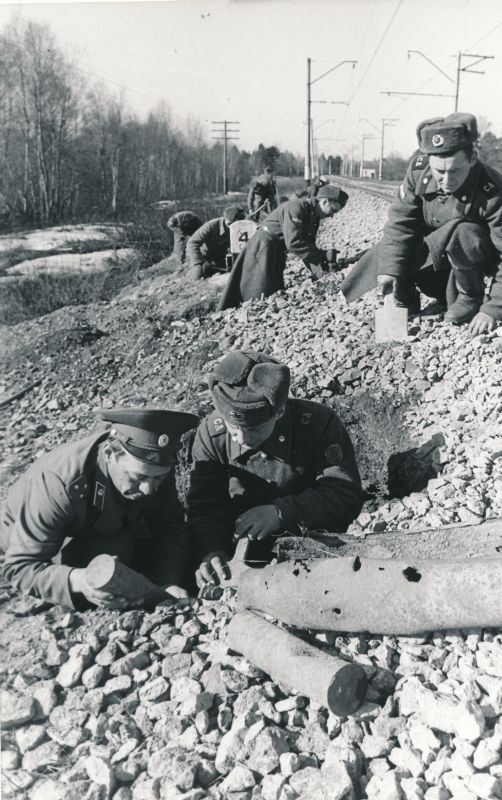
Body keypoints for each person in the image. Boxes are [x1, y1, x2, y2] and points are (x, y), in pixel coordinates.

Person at [342, 113, 502, 335]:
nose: (446, 179)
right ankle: (404, 296)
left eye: (455, 171)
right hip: (438, 259)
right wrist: (389, 271)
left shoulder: (496, 192)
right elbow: (400, 225)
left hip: (471, 263)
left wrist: (493, 309)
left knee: (464, 231)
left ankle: (469, 298)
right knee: (392, 249)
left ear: (472, 159)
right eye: (439, 171)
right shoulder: (418, 171)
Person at [186, 351, 363, 588]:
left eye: (254, 429)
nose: (241, 438)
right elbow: (205, 508)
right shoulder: (211, 434)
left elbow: (345, 494)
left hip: (312, 544)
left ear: (279, 412)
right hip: (239, 549)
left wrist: (282, 513)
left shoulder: (317, 423)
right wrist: (211, 551)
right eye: (233, 427)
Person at [0, 407, 199, 609]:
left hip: (106, 523)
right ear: (109, 453)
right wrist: (79, 579)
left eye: (159, 478)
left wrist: (169, 581)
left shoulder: (151, 468)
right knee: (113, 556)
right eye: (137, 478)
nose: (148, 489)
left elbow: (171, 527)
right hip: (34, 539)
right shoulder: (58, 483)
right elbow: (20, 567)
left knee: (139, 547)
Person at [217, 184, 349, 310]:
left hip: (276, 250)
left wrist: (321, 273)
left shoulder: (314, 216)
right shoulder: (298, 207)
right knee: (256, 292)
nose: (332, 216)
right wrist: (323, 255)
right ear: (325, 201)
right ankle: (232, 314)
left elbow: (307, 247)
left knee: (273, 291)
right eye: (333, 210)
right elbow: (294, 242)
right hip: (263, 247)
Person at [185, 205, 246, 281]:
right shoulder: (212, 226)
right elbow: (192, 243)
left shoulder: (245, 227)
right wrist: (198, 262)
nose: (234, 228)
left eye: (238, 224)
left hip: (225, 259)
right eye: (231, 224)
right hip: (207, 259)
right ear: (226, 220)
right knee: (197, 279)